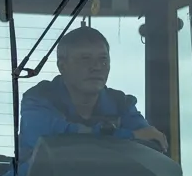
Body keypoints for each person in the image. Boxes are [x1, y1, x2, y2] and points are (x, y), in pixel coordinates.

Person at [16, 26, 169, 158]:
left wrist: (140, 137)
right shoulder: (38, 99)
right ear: (62, 66)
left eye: (103, 60)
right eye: (85, 59)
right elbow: (51, 142)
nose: (96, 67)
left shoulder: (121, 104)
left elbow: (149, 141)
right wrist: (129, 136)